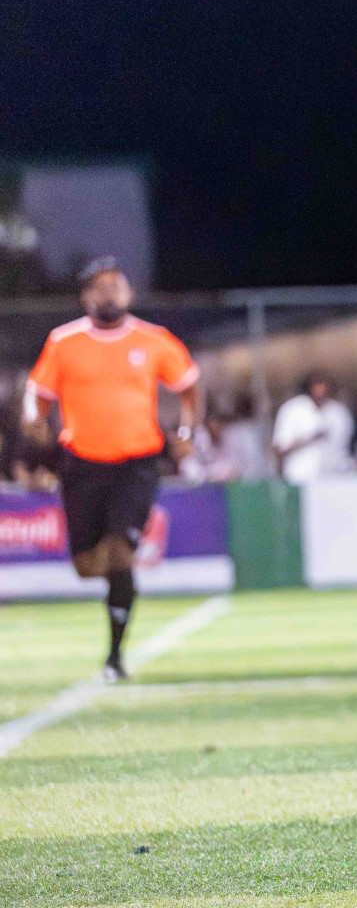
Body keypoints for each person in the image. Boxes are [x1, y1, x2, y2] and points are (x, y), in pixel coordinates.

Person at [23, 257, 200, 681]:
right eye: (99, 287)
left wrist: (188, 430)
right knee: (88, 564)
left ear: (129, 292)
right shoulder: (63, 341)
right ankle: (118, 592)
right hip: (82, 464)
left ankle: (114, 656)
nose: (109, 292)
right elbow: (37, 391)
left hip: (137, 464)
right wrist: (34, 417)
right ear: (85, 297)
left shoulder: (154, 340)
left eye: (116, 284)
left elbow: (189, 386)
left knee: (120, 551)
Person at [272, 374, 348, 484]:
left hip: (332, 478)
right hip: (299, 478)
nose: (321, 390)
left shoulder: (338, 412)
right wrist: (308, 439)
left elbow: (343, 448)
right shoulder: (293, 409)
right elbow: (279, 448)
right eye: (317, 385)